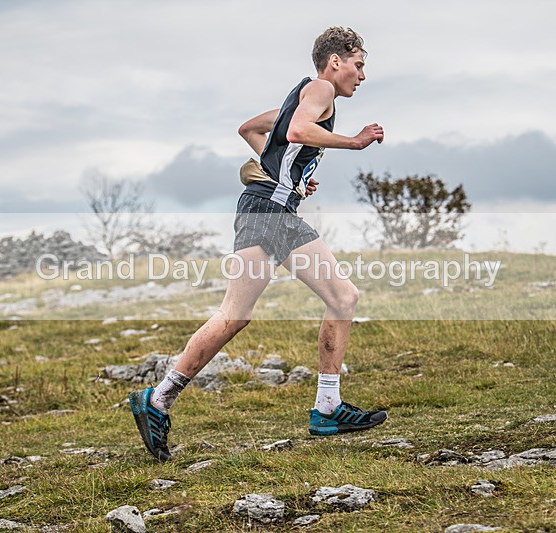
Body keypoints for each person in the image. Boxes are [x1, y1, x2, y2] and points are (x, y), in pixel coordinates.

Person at [129, 27, 386, 462]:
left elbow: (251, 128)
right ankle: (159, 399)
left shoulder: (300, 95)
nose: (362, 75)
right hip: (269, 212)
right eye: (359, 65)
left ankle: (324, 409)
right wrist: (354, 141)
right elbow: (301, 131)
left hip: (268, 209)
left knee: (312, 303)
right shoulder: (321, 88)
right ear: (335, 61)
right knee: (325, 300)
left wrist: (292, 176)